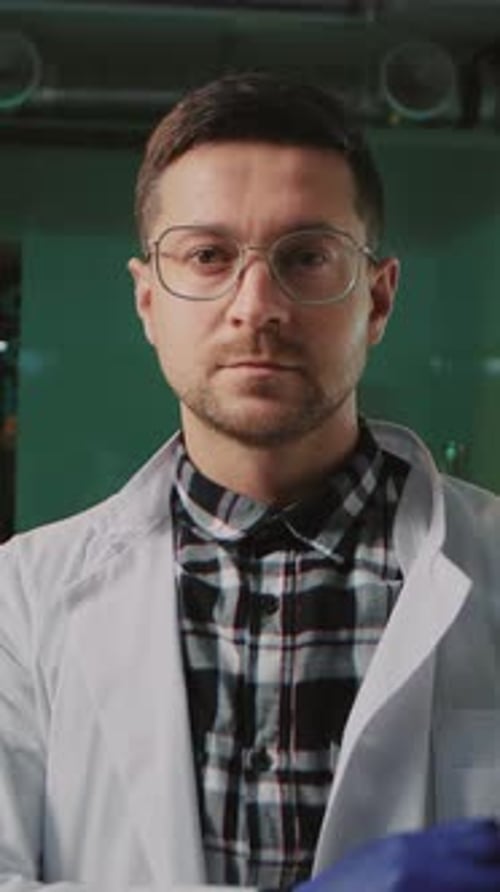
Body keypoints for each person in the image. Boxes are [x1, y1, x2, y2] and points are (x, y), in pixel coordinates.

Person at [1, 71, 500, 892]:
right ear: (148, 301)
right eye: (207, 256)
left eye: (307, 257)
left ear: (377, 300)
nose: (256, 304)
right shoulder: (19, 601)